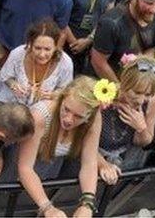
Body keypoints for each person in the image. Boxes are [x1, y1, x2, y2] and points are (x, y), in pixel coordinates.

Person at [16, 76, 103, 218]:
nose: (68, 119)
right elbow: (25, 168)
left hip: (49, 173)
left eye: (78, 116)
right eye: (66, 109)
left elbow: (89, 163)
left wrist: (87, 203)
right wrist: (47, 207)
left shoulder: (94, 119)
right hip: (20, 172)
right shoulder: (40, 116)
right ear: (62, 99)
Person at [88, 0, 155, 81]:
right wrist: (119, 89)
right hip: (107, 82)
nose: (153, 9)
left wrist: (141, 65)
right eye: (149, 3)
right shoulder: (111, 23)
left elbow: (153, 47)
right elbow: (98, 62)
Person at [96, 56, 155, 185]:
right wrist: (102, 164)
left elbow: (144, 141)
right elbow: (81, 140)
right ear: (125, 83)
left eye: (148, 94)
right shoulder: (105, 94)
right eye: (137, 92)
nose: (141, 100)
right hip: (94, 157)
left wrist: (141, 128)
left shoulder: (153, 101)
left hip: (124, 158)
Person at [0, 19, 74, 106]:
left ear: (55, 47)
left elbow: (65, 90)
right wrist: (14, 85)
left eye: (47, 49)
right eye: (37, 48)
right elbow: (6, 77)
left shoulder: (65, 63)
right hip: (12, 102)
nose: (42, 54)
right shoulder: (17, 54)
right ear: (30, 44)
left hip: (44, 106)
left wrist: (52, 95)